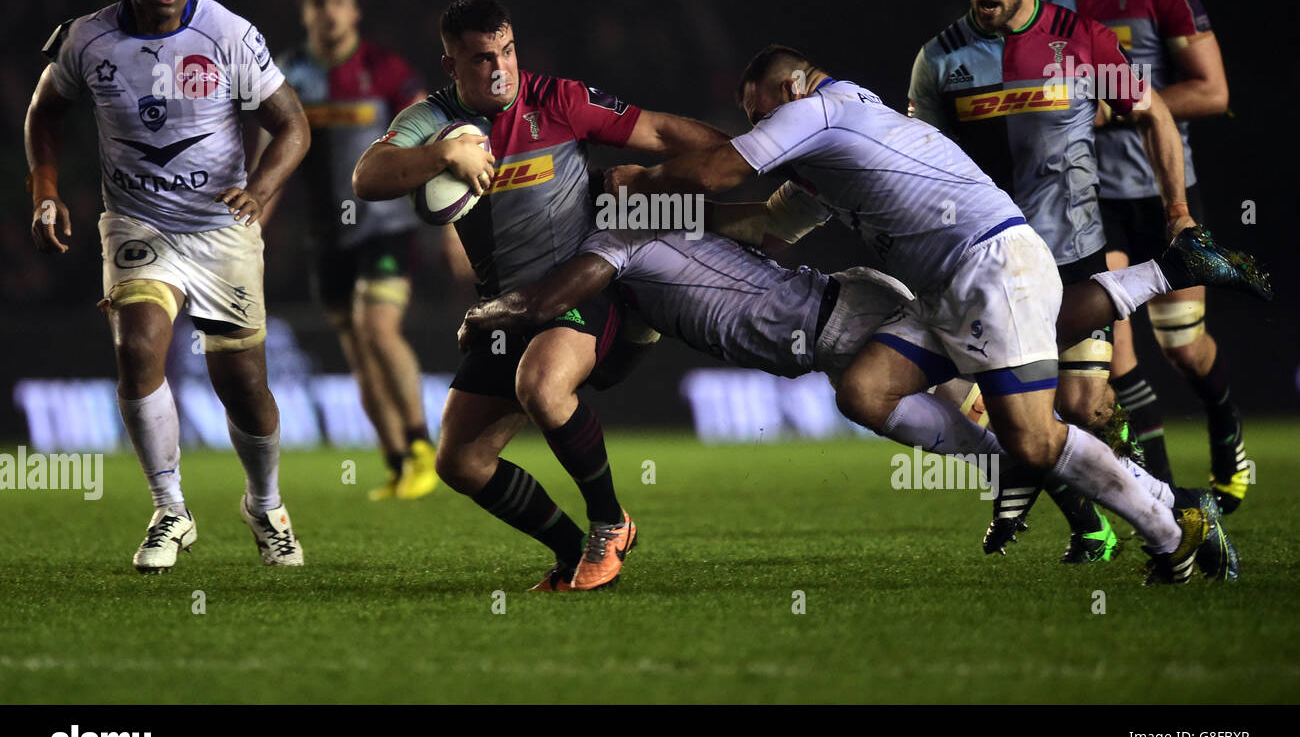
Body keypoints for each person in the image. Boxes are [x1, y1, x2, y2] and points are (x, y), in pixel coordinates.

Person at [606, 45, 1237, 584]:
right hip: (949, 286)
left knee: (1040, 437)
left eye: (758, 114)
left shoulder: (818, 110)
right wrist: (668, 217)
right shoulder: (833, 141)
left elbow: (721, 169)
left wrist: (642, 183)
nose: (756, 128)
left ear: (791, 88)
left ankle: (1173, 519)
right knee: (865, 391)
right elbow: (769, 227)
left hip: (990, 263)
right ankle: (1012, 460)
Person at [459, 215, 1267, 584]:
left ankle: (1170, 500)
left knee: (1019, 423)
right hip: (846, 316)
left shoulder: (615, 242)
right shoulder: (640, 272)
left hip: (853, 323)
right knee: (1022, 391)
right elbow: (616, 364)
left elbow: (548, 301)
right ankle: (1152, 497)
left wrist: (497, 306)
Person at [353, 0, 730, 590]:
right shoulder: (432, 119)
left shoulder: (558, 99)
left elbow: (658, 129)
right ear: (451, 66)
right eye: (481, 58)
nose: (500, 68)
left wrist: (753, 156)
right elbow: (368, 177)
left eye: (507, 51)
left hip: (577, 284)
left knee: (543, 387)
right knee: (460, 462)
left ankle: (611, 522)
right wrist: (442, 153)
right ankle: (569, 550)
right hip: (503, 310)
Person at [25, 0, 311, 571]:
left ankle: (265, 504)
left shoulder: (228, 34)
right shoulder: (87, 39)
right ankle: (170, 510)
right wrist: (45, 190)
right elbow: (45, 110)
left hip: (220, 228)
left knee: (242, 382)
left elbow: (291, 124)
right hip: (137, 224)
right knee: (138, 345)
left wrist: (261, 189)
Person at [908, 0, 1190, 562]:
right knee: (1014, 418)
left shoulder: (1081, 39)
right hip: (989, 263)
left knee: (1085, 407)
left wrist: (1178, 213)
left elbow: (1153, 112)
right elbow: (918, 158)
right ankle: (1098, 525)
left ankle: (1154, 504)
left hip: (1073, 253)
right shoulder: (941, 59)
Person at [1036, 0, 1244, 512]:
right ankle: (1163, 493)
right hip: (1087, 201)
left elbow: (1214, 91)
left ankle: (1226, 426)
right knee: (1114, 352)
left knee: (1182, 348)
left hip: (1161, 190)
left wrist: (1121, 103)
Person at [274, 0, 453, 501]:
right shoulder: (289, 74)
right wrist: (258, 213)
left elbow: (432, 136)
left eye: (339, 2)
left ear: (355, 12)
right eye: (318, 4)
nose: (328, 13)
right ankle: (399, 461)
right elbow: (272, 151)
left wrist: (449, 226)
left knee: (376, 327)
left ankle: (424, 445)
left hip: (386, 226)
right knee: (355, 350)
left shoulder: (386, 70)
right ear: (305, 12)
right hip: (323, 235)